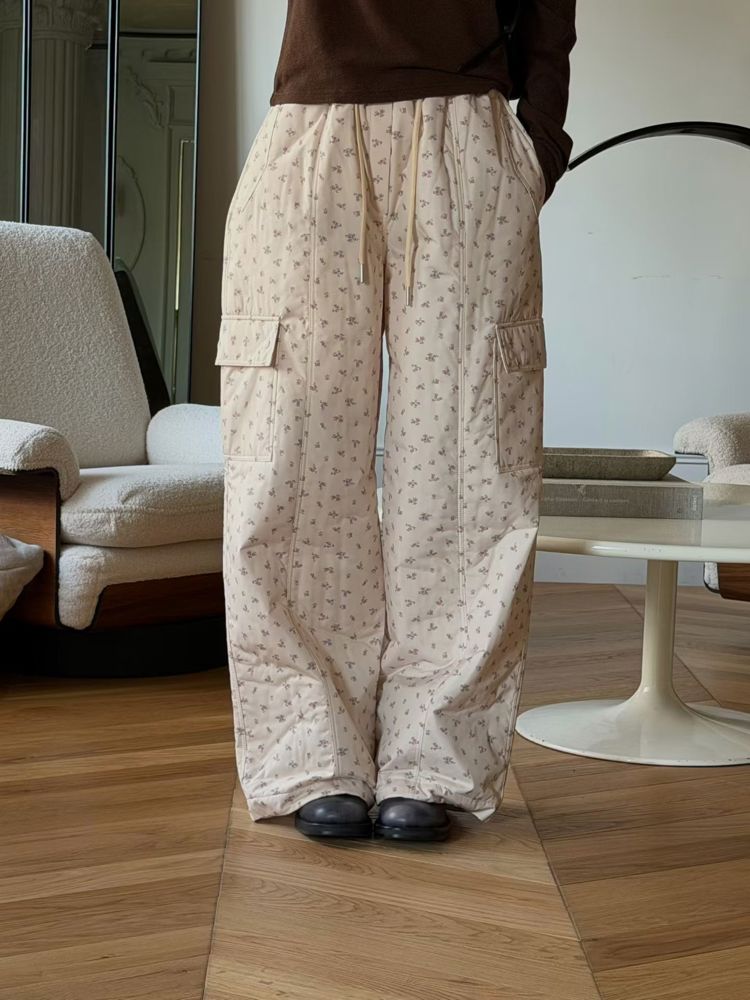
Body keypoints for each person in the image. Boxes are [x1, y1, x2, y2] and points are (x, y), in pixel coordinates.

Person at [215, 0, 576, 842]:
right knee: (289, 462)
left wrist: (538, 144)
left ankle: (433, 758)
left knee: (468, 468)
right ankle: (311, 751)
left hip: (468, 137)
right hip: (309, 131)